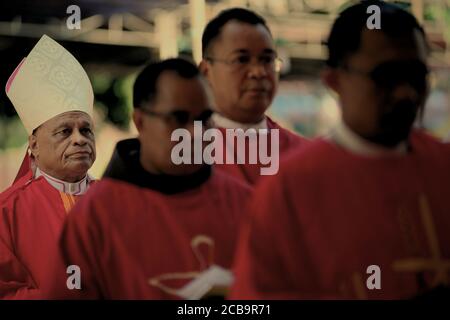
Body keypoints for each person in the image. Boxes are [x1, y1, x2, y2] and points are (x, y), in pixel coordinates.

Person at [230, 1, 450, 299]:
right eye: (385, 76)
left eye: (416, 75)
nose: (406, 93)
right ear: (334, 80)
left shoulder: (442, 167)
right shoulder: (289, 191)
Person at [43, 58, 252, 299]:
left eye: (204, 119)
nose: (196, 134)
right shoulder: (95, 218)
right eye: (179, 119)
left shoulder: (246, 204)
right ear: (140, 121)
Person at [0, 35, 96, 299]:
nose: (79, 139)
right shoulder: (6, 213)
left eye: (86, 129)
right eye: (65, 131)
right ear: (35, 144)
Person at [200, 8, 308, 185]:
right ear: (206, 72)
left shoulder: (302, 154)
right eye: (241, 60)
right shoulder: (184, 153)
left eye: (267, 60)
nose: (258, 72)